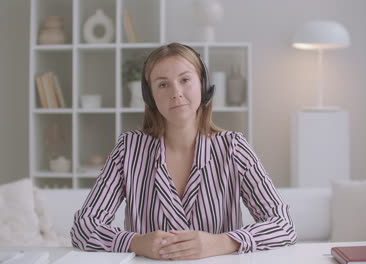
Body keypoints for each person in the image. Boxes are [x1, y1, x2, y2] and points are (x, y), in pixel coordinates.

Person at [71, 42, 297, 260]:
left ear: (203, 85)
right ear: (150, 96)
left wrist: (222, 243)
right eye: (162, 84)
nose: (175, 92)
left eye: (185, 80)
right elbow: (83, 228)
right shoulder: (128, 149)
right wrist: (136, 242)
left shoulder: (234, 148)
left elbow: (283, 225)